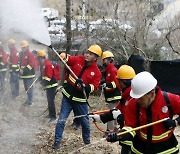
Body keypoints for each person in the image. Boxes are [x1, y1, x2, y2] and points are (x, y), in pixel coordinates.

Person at [107, 71, 180, 154]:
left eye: (140, 98)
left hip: (166, 149)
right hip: (140, 149)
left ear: (151, 94)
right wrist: (119, 135)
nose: (137, 101)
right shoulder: (133, 103)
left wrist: (175, 122)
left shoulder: (169, 99)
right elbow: (130, 127)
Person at [53, 44, 102, 149]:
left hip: (80, 101)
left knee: (85, 123)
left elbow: (94, 86)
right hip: (67, 98)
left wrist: (85, 86)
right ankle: (57, 142)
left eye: (90, 54)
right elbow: (68, 58)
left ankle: (87, 141)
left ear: (96, 57)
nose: (87, 55)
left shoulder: (96, 72)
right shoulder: (78, 60)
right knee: (61, 120)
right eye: (87, 52)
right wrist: (63, 56)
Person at [89, 65, 136, 154]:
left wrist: (120, 117)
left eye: (118, 80)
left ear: (123, 81)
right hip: (126, 139)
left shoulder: (132, 96)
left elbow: (132, 119)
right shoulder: (127, 94)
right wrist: (99, 118)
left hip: (132, 141)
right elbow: (115, 111)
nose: (117, 82)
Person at [101, 51, 121, 133]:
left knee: (111, 114)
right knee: (114, 114)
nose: (103, 62)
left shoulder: (113, 70)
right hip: (110, 96)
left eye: (104, 60)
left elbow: (115, 83)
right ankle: (114, 130)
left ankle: (110, 131)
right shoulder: (108, 70)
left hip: (114, 96)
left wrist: (107, 85)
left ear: (109, 60)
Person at [37, 50, 59, 122]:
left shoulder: (48, 64)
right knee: (49, 101)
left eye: (38, 59)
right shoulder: (44, 64)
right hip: (48, 86)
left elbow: (48, 77)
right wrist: (39, 79)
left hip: (52, 86)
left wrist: (42, 84)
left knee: (51, 101)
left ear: (41, 58)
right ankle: (50, 114)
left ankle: (53, 117)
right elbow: (44, 75)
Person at [19, 40, 35, 105]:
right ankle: (28, 100)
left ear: (27, 47)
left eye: (24, 47)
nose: (23, 49)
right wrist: (19, 70)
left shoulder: (30, 54)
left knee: (29, 88)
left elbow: (31, 64)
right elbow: (21, 64)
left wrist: (23, 70)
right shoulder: (22, 54)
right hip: (24, 75)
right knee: (26, 89)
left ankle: (30, 102)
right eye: (22, 47)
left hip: (29, 75)